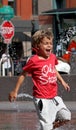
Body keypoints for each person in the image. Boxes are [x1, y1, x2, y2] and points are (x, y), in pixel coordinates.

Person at [9, 29, 71, 130]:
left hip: (54, 97)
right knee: (46, 126)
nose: (49, 46)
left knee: (66, 116)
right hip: (42, 99)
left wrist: (62, 82)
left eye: (50, 43)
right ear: (37, 46)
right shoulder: (34, 61)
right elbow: (22, 75)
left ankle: (53, 127)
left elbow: (53, 69)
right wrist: (15, 91)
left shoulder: (52, 57)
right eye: (46, 43)